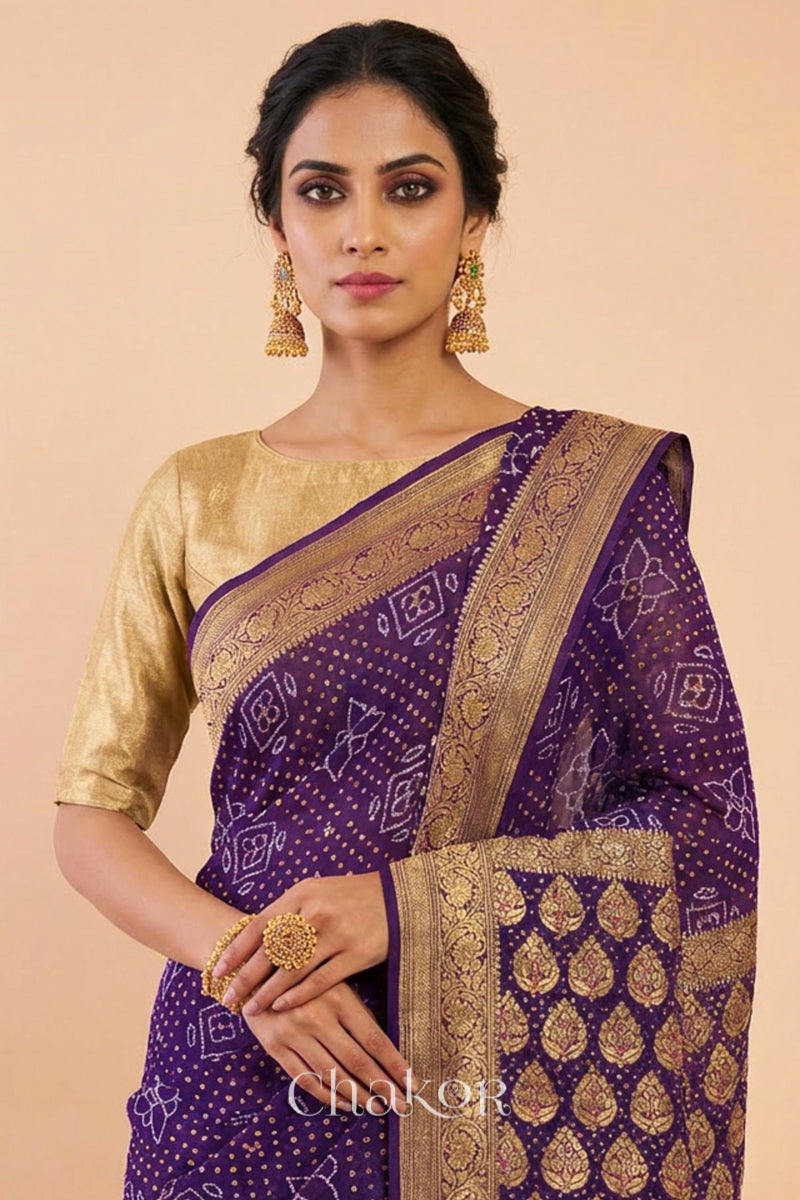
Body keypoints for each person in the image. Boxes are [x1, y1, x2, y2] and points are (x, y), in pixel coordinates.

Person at [53, 18, 758, 1200]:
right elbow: (90, 819)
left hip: (503, 1089)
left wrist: (400, 911)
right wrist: (250, 960)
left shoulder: (591, 492)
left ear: (472, 219)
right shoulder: (197, 495)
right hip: (242, 1064)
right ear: (276, 224)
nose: (362, 231)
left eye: (410, 188)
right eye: (320, 190)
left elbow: (703, 827)